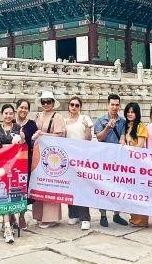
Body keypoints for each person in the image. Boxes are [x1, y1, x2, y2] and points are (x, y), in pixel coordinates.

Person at [93, 93, 129, 228]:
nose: (114, 107)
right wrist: (107, 127)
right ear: (108, 105)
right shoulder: (100, 120)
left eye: (117, 105)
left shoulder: (123, 121)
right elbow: (99, 138)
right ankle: (103, 215)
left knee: (118, 187)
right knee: (103, 187)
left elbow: (123, 136)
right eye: (112, 104)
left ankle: (116, 214)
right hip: (104, 158)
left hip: (118, 158)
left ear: (119, 106)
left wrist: (123, 140)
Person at [32, 90, 66, 228]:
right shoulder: (38, 115)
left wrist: (43, 135)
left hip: (52, 154)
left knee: (50, 183)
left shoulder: (57, 117)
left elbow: (60, 135)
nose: (46, 104)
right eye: (43, 101)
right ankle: (39, 215)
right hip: (38, 152)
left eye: (48, 101)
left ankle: (51, 217)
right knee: (39, 182)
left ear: (53, 103)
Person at [0, 103, 24, 243]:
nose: (8, 116)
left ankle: (9, 222)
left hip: (15, 165)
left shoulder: (17, 128)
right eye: (6, 113)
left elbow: (21, 145)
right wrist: (10, 146)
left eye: (11, 113)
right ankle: (7, 226)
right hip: (0, 166)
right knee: (3, 194)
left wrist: (19, 140)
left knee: (12, 194)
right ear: (2, 114)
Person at [65, 96, 93, 230]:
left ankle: (85, 217)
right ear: (68, 106)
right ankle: (73, 214)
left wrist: (87, 128)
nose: (74, 107)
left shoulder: (84, 118)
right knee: (70, 186)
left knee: (82, 187)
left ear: (80, 107)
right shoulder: (64, 121)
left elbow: (88, 138)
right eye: (72, 105)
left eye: (77, 105)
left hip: (82, 157)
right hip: (69, 157)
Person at [122, 103, 149, 227]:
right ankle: (134, 218)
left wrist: (130, 153)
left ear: (137, 113)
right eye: (128, 112)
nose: (130, 114)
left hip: (138, 162)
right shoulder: (127, 125)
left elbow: (140, 145)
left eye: (132, 112)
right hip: (129, 162)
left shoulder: (140, 126)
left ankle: (141, 220)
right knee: (131, 191)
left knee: (139, 191)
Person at [15, 98, 37, 231]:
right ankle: (10, 217)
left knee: (24, 189)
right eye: (21, 107)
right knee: (11, 188)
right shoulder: (10, 122)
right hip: (11, 162)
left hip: (26, 161)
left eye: (26, 108)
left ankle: (22, 216)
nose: (23, 110)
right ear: (17, 108)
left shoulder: (32, 125)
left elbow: (35, 144)